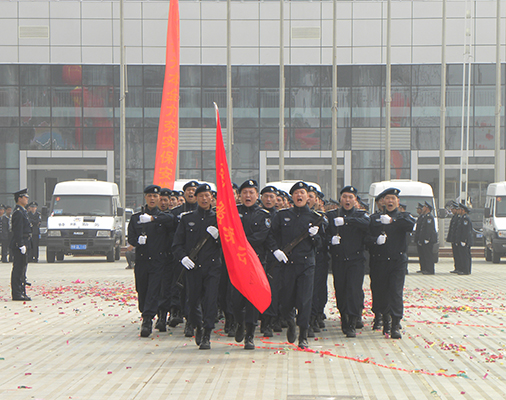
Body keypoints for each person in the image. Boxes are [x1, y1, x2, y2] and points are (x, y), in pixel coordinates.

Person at [270, 181, 323, 349]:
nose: (299, 196)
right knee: (286, 299)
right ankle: (290, 322)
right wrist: (275, 251)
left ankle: (303, 334)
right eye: (296, 193)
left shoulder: (315, 217)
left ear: (308, 197)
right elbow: (271, 236)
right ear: (292, 197)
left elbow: (321, 244)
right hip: (287, 264)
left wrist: (315, 236)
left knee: (304, 300)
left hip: (306, 264)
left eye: (302, 193)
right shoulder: (282, 215)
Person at [172, 183, 221, 350]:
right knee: (192, 302)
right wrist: (183, 258)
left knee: (210, 300)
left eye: (207, 196)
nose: (204, 199)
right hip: (193, 267)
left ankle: (207, 332)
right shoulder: (187, 219)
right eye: (201, 196)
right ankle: (198, 325)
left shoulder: (219, 219)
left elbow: (229, 246)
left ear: (212, 198)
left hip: (213, 267)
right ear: (196, 198)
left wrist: (217, 238)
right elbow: (177, 244)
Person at [128, 185, 175, 338]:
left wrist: (153, 218)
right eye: (150, 196)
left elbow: (171, 219)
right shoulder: (136, 218)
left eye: (156, 197)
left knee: (154, 290)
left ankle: (147, 320)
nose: (153, 199)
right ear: (146, 198)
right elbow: (131, 238)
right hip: (142, 260)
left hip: (158, 261)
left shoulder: (162, 217)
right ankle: (145, 311)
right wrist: (137, 241)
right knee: (142, 290)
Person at [368, 188, 416, 339]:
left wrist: (392, 221)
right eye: (387, 198)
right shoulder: (375, 218)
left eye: (393, 199)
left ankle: (395, 324)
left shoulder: (403, 217)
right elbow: (366, 238)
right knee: (381, 292)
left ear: (398, 201)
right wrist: (375, 241)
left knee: (395, 292)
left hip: (397, 262)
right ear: (383, 201)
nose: (390, 201)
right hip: (380, 261)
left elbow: (410, 225)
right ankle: (385, 319)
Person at [232, 180, 272, 350]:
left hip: (255, 263)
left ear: (257, 196)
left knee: (252, 300)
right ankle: (239, 323)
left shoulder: (263, 215)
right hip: (236, 263)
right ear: (240, 196)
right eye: (244, 193)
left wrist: (241, 243)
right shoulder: (233, 212)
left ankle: (250, 334)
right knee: (235, 299)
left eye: (251, 193)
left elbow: (261, 236)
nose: (248, 196)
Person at [327, 186, 370, 338]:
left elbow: (366, 225)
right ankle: (344, 316)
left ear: (355, 200)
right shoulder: (332, 215)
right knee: (341, 290)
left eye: (350, 197)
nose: (347, 200)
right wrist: (330, 240)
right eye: (344, 197)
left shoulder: (360, 215)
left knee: (353, 290)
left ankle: (352, 320)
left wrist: (347, 221)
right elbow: (324, 232)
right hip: (338, 260)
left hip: (355, 260)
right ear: (340, 199)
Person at [169, 180, 199, 332]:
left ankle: (193, 320)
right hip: (181, 257)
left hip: (200, 257)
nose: (191, 192)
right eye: (188, 190)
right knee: (181, 288)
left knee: (197, 291)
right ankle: (181, 313)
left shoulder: (207, 212)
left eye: (194, 190)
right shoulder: (176, 212)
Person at [154, 188, 176, 332]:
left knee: (167, 288)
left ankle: (164, 315)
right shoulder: (148, 215)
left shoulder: (172, 216)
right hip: (154, 258)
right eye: (160, 199)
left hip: (170, 258)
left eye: (165, 200)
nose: (162, 202)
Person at [10, 189, 32, 301]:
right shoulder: (18, 212)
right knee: (18, 269)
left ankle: (21, 291)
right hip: (20, 243)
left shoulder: (22, 211)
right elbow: (18, 230)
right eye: (25, 197)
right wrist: (20, 244)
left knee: (22, 269)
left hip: (25, 242)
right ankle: (17, 293)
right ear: (19, 198)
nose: (27, 199)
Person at [415, 202, 437, 275]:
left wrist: (427, 238)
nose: (422, 209)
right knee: (424, 255)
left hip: (428, 240)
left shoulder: (429, 217)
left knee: (428, 255)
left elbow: (429, 229)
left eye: (424, 207)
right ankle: (425, 268)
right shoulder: (425, 216)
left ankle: (430, 270)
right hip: (424, 239)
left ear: (427, 208)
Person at [455, 202, 473, 275]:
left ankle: (466, 270)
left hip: (465, 241)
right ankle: (463, 269)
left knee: (465, 256)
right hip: (461, 240)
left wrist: (464, 240)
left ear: (463, 210)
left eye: (459, 209)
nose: (458, 211)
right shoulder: (461, 218)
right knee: (462, 256)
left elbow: (466, 231)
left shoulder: (465, 219)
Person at [447, 201, 460, 274]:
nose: (451, 210)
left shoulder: (458, 217)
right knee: (455, 254)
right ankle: (456, 267)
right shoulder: (454, 217)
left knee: (458, 255)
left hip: (457, 240)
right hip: (454, 239)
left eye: (453, 209)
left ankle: (459, 268)